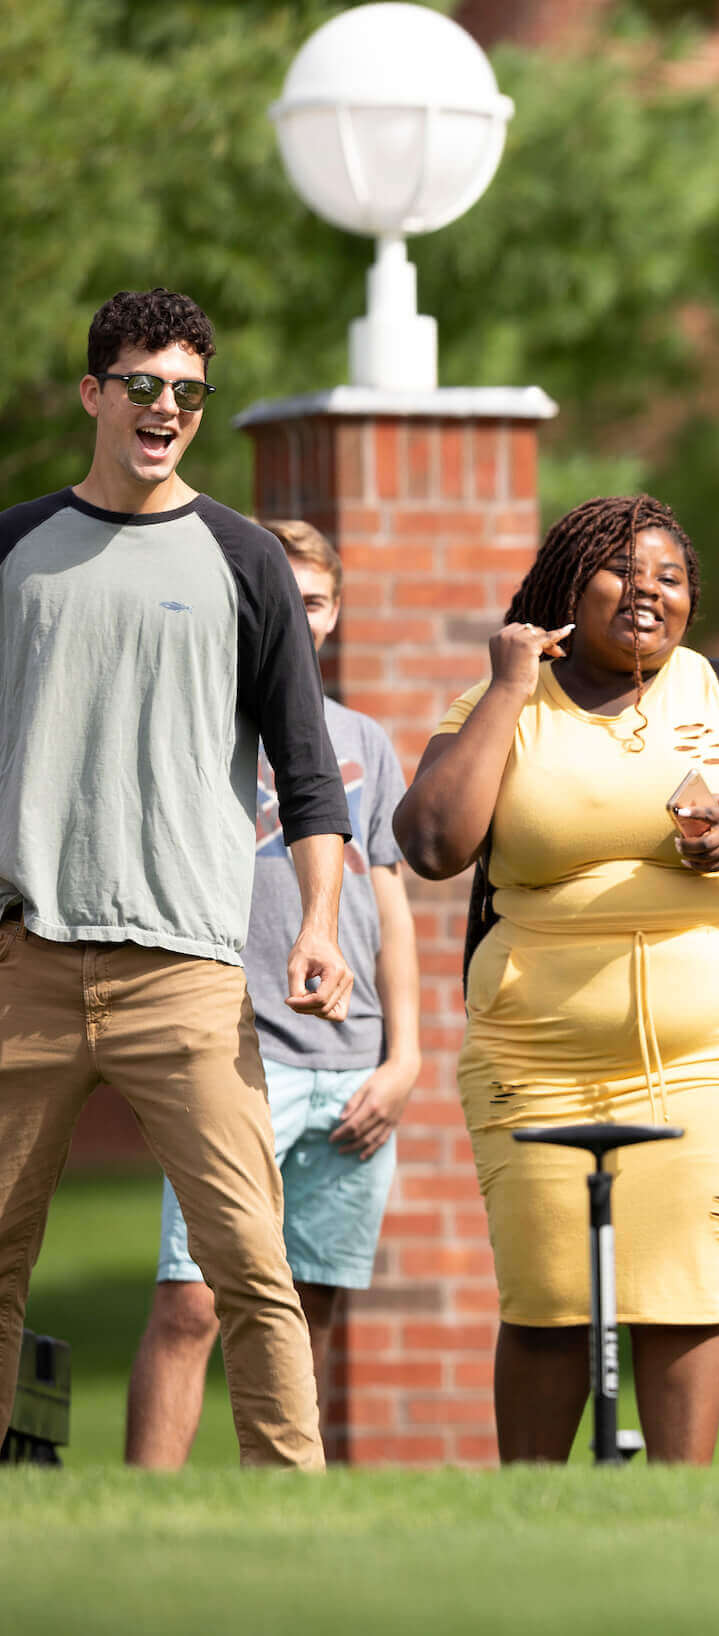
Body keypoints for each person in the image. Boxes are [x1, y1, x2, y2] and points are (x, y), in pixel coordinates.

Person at [393, 493, 719, 1465]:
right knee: (549, 1300)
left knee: (683, 1298)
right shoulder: (499, 704)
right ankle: (533, 1528)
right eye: (621, 571)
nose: (648, 592)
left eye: (670, 578)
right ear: (567, 584)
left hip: (713, 1049)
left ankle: (683, 1539)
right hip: (535, 1049)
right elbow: (430, 843)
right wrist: (509, 685)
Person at [0, 289, 351, 1469]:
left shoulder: (245, 559)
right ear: (95, 393)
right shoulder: (13, 550)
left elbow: (308, 771)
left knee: (249, 1257)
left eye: (188, 394)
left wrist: (319, 924)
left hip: (187, 976)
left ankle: (292, 1505)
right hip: (26, 965)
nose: (165, 411)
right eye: (143, 387)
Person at [125, 520, 420, 1467]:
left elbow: (392, 907)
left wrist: (405, 1058)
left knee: (313, 1301)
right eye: (277, 596)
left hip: (353, 1070)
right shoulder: (193, 723)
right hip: (230, 1052)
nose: (297, 615)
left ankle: (283, 1503)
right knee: (193, 1299)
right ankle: (143, 1514)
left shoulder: (363, 741)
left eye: (316, 600)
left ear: (335, 616)